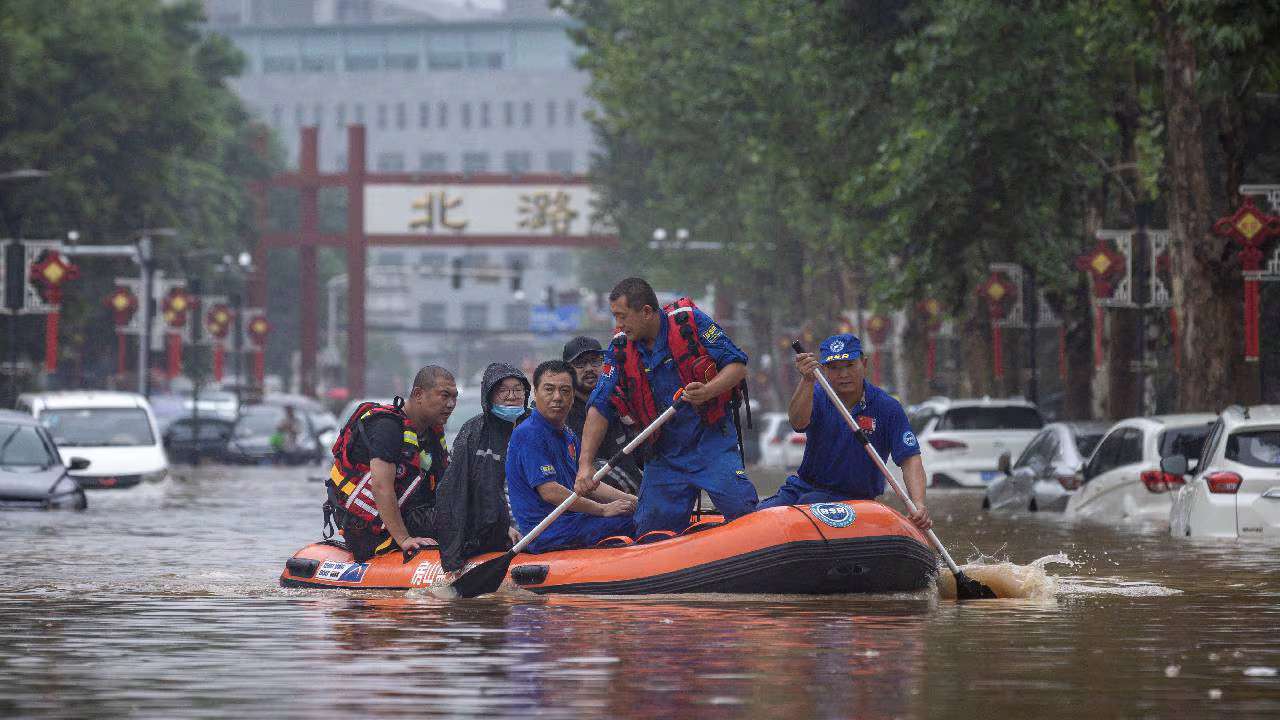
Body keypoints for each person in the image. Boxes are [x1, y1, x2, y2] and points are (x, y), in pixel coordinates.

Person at [574, 277, 757, 536]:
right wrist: (585, 465)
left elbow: (737, 366)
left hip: (711, 444)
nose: (618, 325)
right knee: (650, 532)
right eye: (615, 317)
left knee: (743, 510)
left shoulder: (691, 322)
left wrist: (707, 391)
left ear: (646, 312)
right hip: (665, 456)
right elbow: (599, 404)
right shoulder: (620, 348)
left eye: (622, 316)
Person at [758, 333, 933, 532]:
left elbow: (910, 459)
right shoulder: (815, 394)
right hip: (804, 487)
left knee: (809, 506)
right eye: (834, 368)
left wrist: (918, 504)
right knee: (758, 517)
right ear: (823, 369)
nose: (843, 374)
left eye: (850, 365)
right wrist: (807, 380)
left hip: (854, 502)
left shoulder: (887, 407)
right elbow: (798, 423)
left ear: (863, 363)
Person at [323, 366, 457, 562]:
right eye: (444, 396)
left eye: (454, 397)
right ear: (418, 394)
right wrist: (404, 540)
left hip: (412, 514)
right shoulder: (387, 427)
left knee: (469, 514)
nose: (451, 404)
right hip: (369, 529)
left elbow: (450, 485)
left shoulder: (433, 434)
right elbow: (381, 486)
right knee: (459, 520)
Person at [506, 360, 638, 552]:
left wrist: (632, 500)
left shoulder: (568, 435)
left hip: (571, 522)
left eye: (565, 391)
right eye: (549, 389)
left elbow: (589, 484)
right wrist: (603, 510)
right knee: (633, 520)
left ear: (573, 397)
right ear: (535, 392)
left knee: (638, 510)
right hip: (546, 532)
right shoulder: (528, 433)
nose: (557, 397)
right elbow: (550, 491)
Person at [435, 363, 529, 575]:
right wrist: (452, 559)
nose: (512, 396)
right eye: (503, 390)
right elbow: (455, 492)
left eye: (518, 389)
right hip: (491, 532)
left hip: (535, 523)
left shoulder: (536, 426)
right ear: (489, 394)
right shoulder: (474, 432)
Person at [563, 335, 641, 493]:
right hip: (594, 500)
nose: (589, 368)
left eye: (595, 361)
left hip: (638, 494)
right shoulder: (562, 413)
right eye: (580, 363)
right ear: (566, 370)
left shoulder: (621, 400)